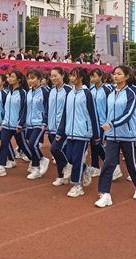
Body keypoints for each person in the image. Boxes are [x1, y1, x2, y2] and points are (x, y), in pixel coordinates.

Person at [95, 65, 136, 208]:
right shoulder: (111, 93)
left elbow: (129, 113)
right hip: (111, 135)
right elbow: (107, 112)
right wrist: (107, 128)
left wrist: (111, 124)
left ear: (127, 76)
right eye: (114, 74)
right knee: (108, 163)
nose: (115, 76)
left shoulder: (132, 92)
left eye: (119, 74)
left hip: (127, 134)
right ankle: (105, 194)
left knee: (131, 163)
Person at [56, 67, 99, 198]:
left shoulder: (87, 93)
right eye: (70, 76)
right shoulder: (70, 93)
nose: (71, 78)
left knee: (77, 158)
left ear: (80, 77)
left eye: (74, 76)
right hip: (70, 131)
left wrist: (96, 135)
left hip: (83, 132)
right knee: (69, 157)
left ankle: (77, 185)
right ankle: (85, 169)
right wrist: (60, 131)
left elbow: (93, 115)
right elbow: (65, 114)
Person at [0, 71, 31, 177]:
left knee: (23, 145)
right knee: (4, 144)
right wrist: (3, 121)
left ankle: (37, 160)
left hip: (17, 125)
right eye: (9, 77)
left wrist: (20, 124)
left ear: (19, 80)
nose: (9, 78)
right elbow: (5, 109)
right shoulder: (9, 91)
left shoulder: (23, 93)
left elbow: (24, 110)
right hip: (6, 124)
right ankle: (1, 168)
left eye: (12, 77)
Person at [47, 67, 73, 186]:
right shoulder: (51, 91)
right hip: (52, 126)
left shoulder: (69, 90)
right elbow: (48, 109)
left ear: (62, 75)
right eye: (51, 76)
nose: (53, 78)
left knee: (55, 149)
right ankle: (61, 176)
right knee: (58, 153)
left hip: (63, 128)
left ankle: (72, 168)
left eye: (55, 75)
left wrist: (63, 127)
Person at [23, 69, 51, 179]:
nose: (30, 80)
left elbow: (47, 108)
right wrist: (22, 123)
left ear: (39, 79)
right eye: (29, 78)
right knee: (30, 144)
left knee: (32, 145)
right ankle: (36, 169)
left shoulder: (44, 92)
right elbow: (26, 108)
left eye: (33, 78)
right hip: (29, 123)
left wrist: (45, 121)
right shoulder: (29, 92)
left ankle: (42, 160)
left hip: (39, 123)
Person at [89, 68, 111, 177]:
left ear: (101, 76)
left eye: (95, 76)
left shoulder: (107, 90)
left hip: (103, 122)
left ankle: (111, 165)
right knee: (93, 144)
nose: (93, 78)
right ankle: (95, 166)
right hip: (93, 122)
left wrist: (109, 121)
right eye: (91, 76)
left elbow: (111, 106)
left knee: (97, 144)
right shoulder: (90, 90)